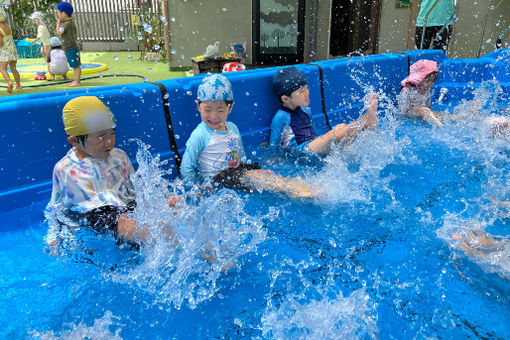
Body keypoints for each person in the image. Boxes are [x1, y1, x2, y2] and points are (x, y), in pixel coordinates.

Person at [45, 96, 176, 248]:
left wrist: (156, 205)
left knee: (169, 211)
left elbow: (137, 190)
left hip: (124, 209)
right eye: (100, 137)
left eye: (111, 133)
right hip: (94, 216)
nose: (109, 142)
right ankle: (164, 239)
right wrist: (53, 236)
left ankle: (169, 238)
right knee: (130, 223)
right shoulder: (65, 169)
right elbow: (55, 207)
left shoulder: (119, 156)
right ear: (74, 141)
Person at [180, 74, 316, 199]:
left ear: (230, 107)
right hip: (216, 180)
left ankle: (296, 184)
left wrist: (246, 167)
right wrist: (199, 189)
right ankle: (293, 189)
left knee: (264, 172)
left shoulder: (233, 128)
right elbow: (186, 168)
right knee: (255, 176)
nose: (214, 116)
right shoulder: (199, 135)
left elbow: (241, 155)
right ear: (198, 106)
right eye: (207, 110)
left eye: (220, 110)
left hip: (235, 173)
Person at [270, 67, 378, 154]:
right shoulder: (281, 116)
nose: (307, 93)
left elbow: (314, 132)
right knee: (334, 134)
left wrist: (324, 142)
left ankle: (366, 126)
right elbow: (273, 147)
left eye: (307, 88)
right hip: (300, 152)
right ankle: (365, 122)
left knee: (343, 138)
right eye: (301, 91)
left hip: (313, 146)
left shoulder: (306, 110)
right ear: (286, 99)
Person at [398, 59, 444, 127]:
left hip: (423, 112)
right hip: (410, 114)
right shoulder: (407, 90)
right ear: (419, 78)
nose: (431, 84)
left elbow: (429, 108)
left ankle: (461, 118)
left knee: (441, 114)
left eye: (433, 81)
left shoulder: (427, 90)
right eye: (429, 81)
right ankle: (441, 127)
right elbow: (402, 113)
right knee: (424, 110)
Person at [56, 1, 81, 87]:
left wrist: (58, 24)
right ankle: (76, 80)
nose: (58, 15)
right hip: (73, 47)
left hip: (70, 48)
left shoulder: (65, 24)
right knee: (75, 65)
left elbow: (59, 32)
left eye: (58, 13)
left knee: (75, 66)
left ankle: (77, 82)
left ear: (64, 13)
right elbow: (76, 34)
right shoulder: (71, 23)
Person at [0, 7, 21, 93]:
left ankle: (9, 83)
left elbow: (1, 43)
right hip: (12, 51)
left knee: (2, 68)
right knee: (13, 68)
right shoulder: (7, 26)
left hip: (5, 52)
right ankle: (18, 85)